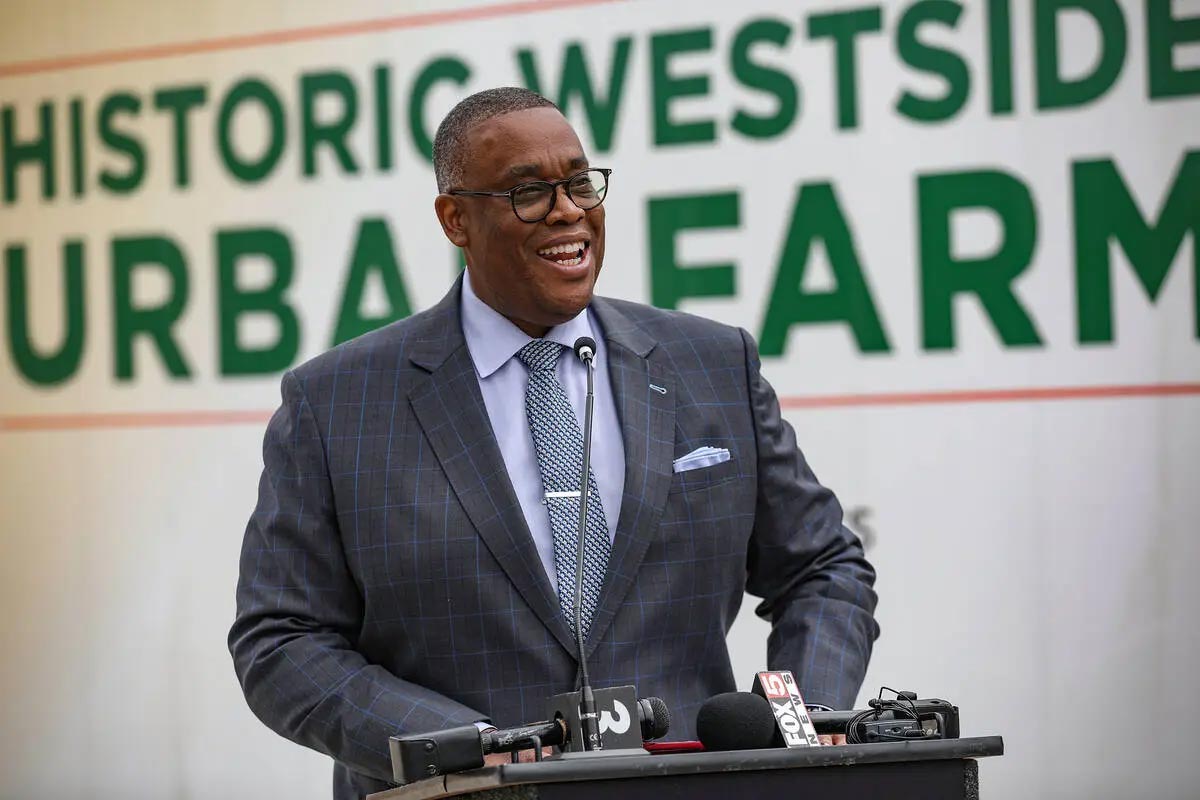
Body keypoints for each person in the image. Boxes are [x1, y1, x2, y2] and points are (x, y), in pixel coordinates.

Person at [229, 87, 878, 800]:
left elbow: (823, 566)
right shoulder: (336, 402)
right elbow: (282, 640)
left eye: (579, 183)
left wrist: (803, 719)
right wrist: (462, 749)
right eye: (529, 192)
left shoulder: (712, 363)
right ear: (456, 219)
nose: (568, 210)